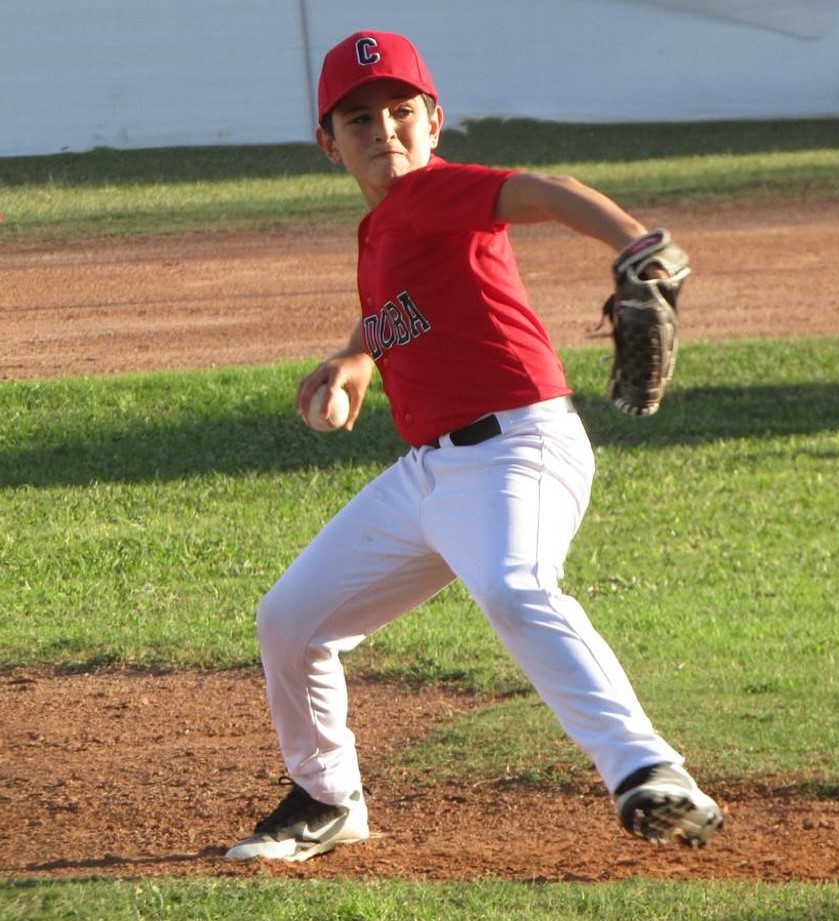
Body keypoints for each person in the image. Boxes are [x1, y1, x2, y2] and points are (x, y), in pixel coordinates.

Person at [225, 29, 722, 863]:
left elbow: (545, 190)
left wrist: (637, 243)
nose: (383, 128)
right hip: (428, 476)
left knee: (513, 584)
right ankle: (327, 797)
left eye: (401, 110)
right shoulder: (381, 228)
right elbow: (399, 308)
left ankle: (646, 766)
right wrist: (357, 356)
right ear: (327, 142)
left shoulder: (438, 191)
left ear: (434, 122)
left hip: (518, 449)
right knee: (291, 621)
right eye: (358, 118)